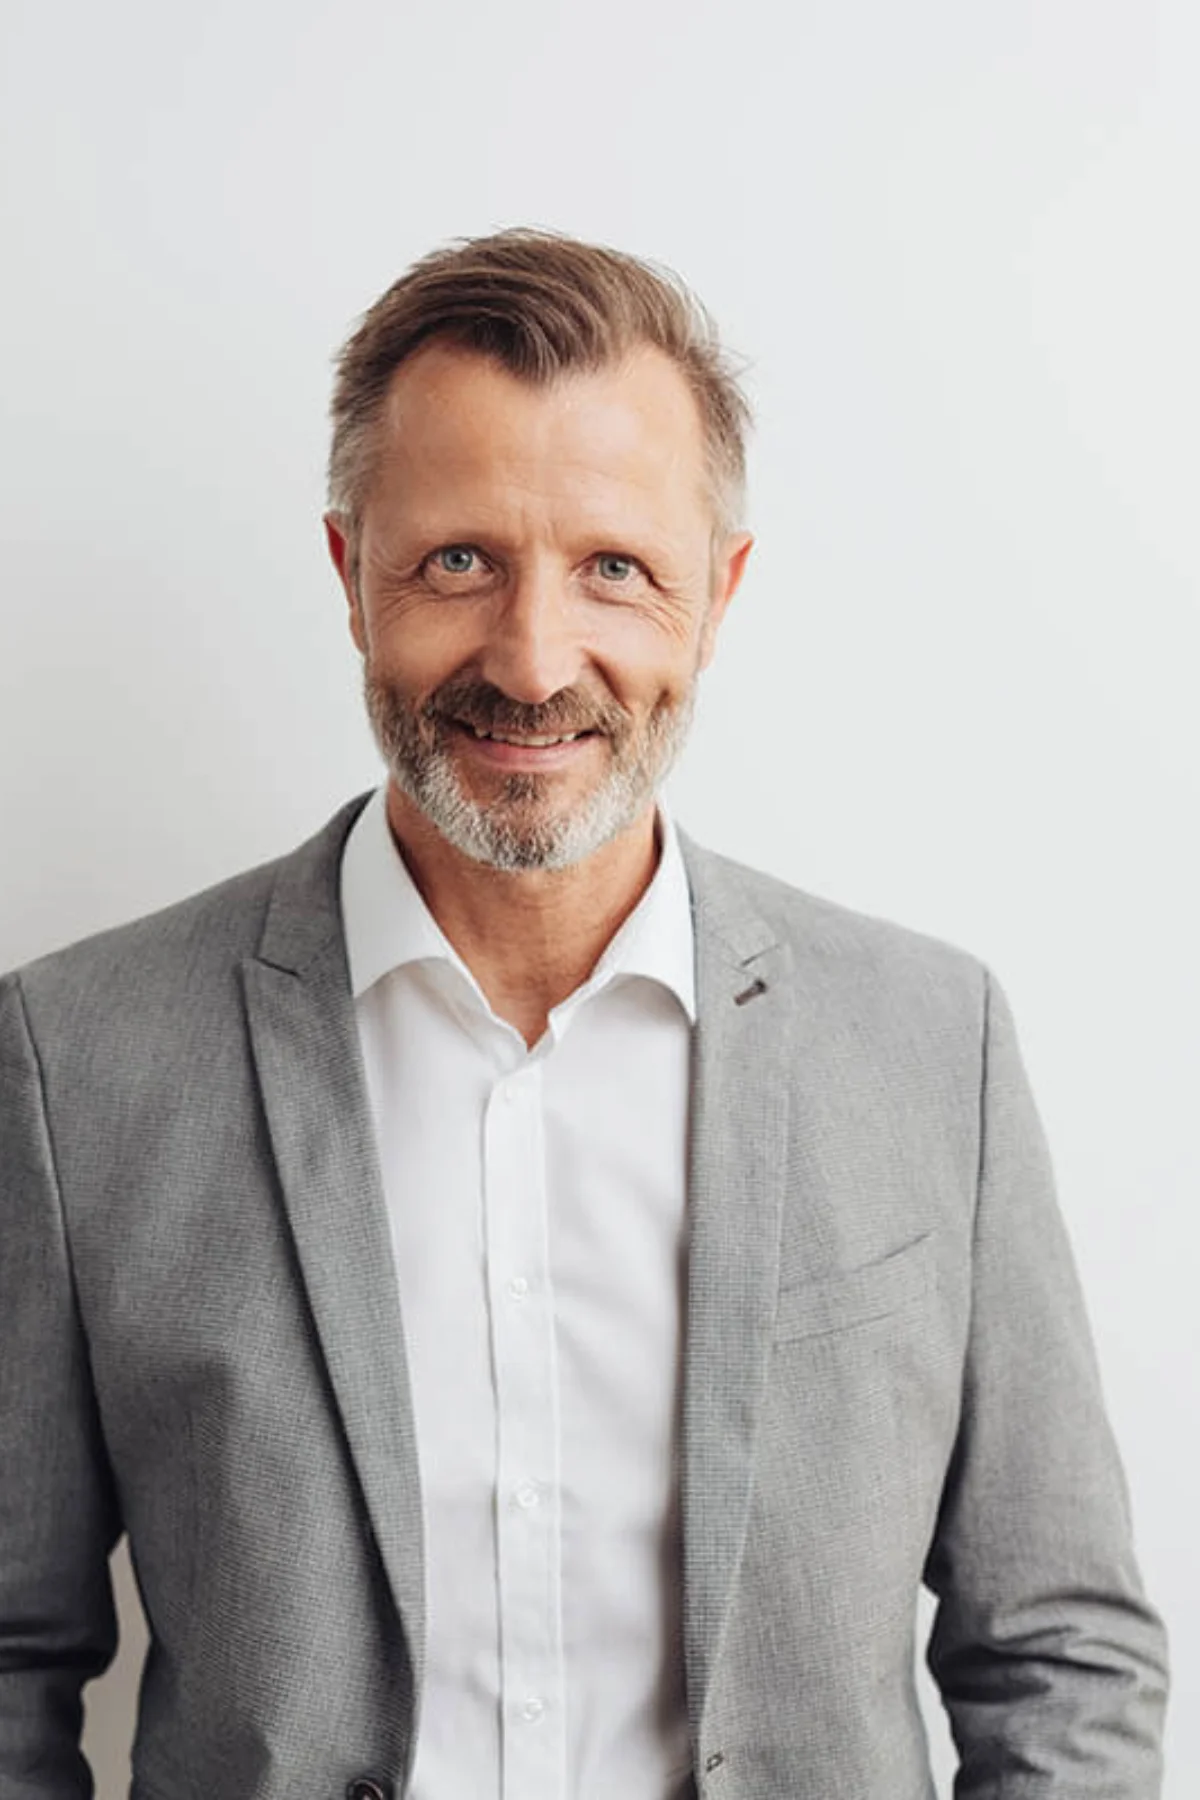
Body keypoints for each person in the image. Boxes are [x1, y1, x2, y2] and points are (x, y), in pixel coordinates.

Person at [0, 227, 1168, 1800]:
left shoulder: (928, 1047)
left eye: (614, 567)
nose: (535, 661)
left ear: (717, 595)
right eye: (458, 561)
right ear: (350, 575)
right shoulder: (77, 1060)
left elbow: (1062, 1657)